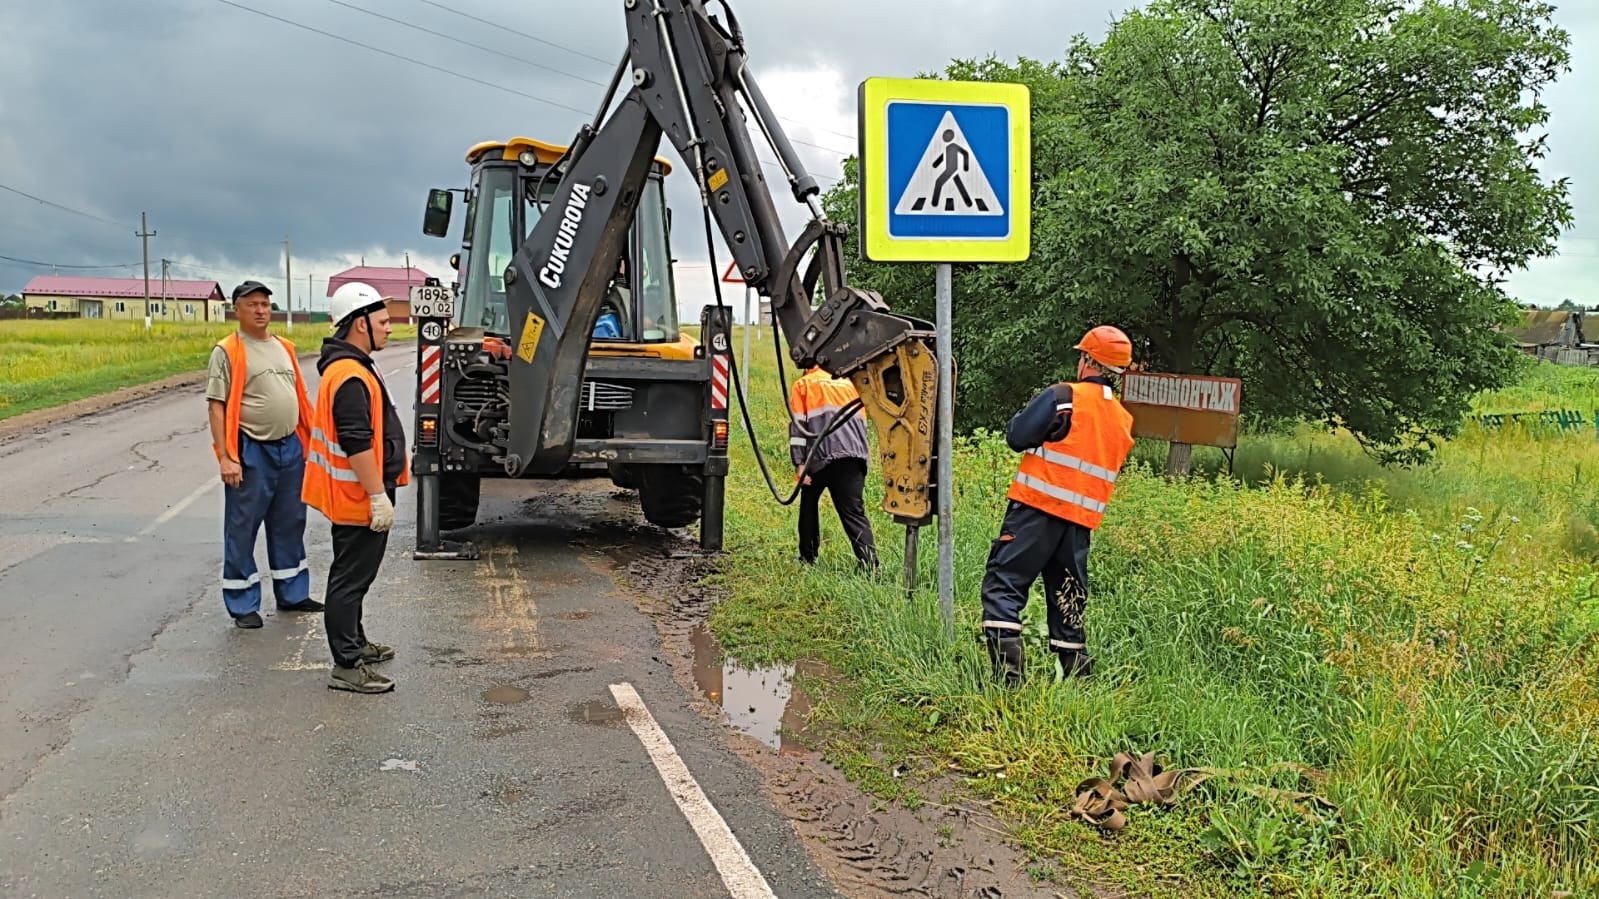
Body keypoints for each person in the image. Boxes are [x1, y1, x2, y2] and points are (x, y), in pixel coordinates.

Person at [979, 326, 1137, 688]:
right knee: (1068, 597)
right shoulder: (1123, 421)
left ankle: (1009, 684)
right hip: (1079, 524)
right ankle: (1079, 684)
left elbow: (1017, 436)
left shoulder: (1065, 397)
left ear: (1088, 361)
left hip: (1036, 510)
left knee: (1003, 586)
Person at [302, 284, 408, 693]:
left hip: (361, 494)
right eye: (383, 322)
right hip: (359, 497)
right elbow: (357, 441)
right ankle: (346, 665)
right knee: (349, 580)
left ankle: (357, 644)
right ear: (359, 323)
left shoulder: (353, 365)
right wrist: (377, 495)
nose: (389, 329)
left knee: (356, 577)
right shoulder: (348, 374)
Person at [205, 279, 320, 629]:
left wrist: (309, 442)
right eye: (252, 304)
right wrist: (227, 457)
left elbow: (298, 396)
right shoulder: (228, 350)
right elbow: (217, 405)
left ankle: (293, 594)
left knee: (290, 523)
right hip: (251, 448)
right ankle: (243, 604)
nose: (260, 310)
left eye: (265, 304)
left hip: (290, 448)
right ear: (236, 309)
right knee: (242, 527)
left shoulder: (284, 346)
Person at [788, 366, 878, 571]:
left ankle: (807, 557)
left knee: (809, 503)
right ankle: (870, 565)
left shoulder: (804, 384)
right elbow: (862, 425)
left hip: (821, 457)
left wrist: (800, 464)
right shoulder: (849, 385)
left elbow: (798, 429)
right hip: (853, 457)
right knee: (853, 513)